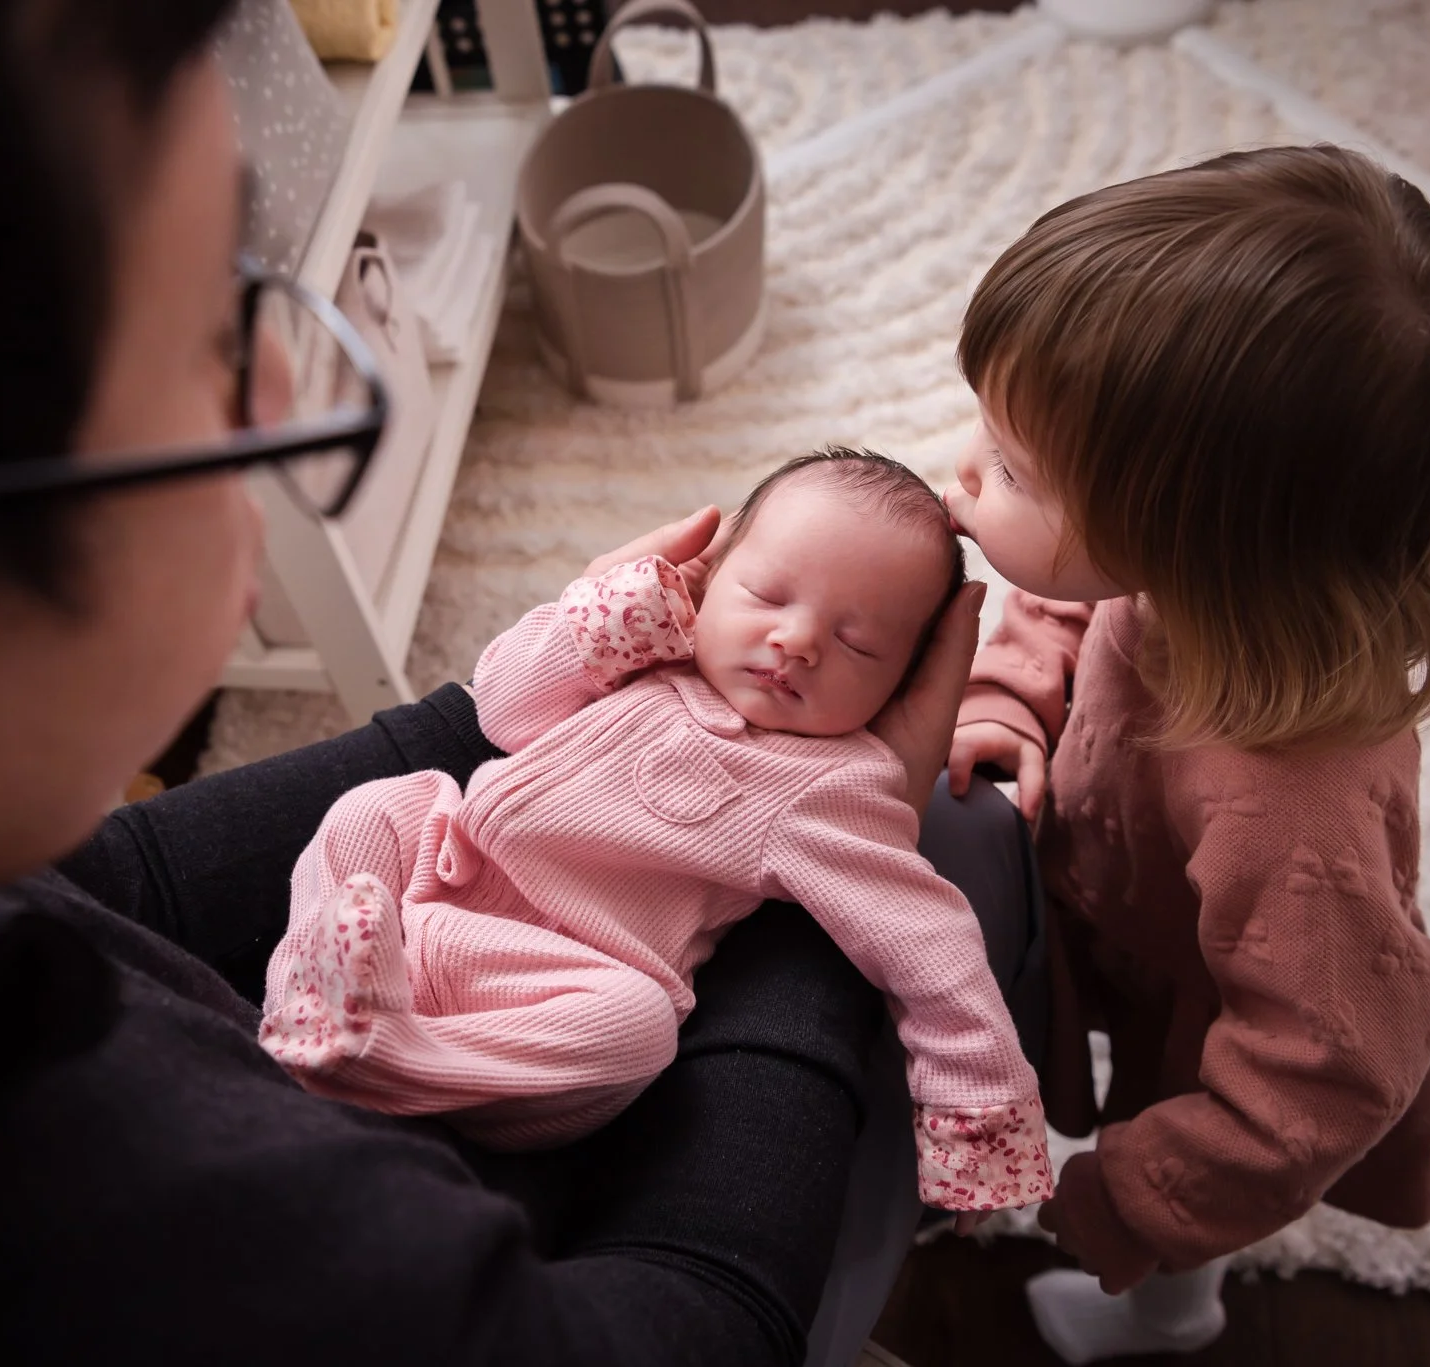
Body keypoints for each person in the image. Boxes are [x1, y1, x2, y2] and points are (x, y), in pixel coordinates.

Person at [0, 2, 1046, 1363]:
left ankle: (383, 979)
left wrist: (814, 812)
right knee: (967, 855)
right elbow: (695, 1322)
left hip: (549, 977)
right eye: (214, 340)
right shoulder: (232, 1262)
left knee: (656, 963)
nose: (282, 397)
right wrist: (833, 872)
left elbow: (131, 867)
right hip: (530, 1094)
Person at [938, 144, 1430, 1364]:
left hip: (1224, 1004)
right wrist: (1010, 698)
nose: (960, 465)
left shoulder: (1287, 808)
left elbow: (1324, 1068)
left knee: (1183, 1205)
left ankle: (1175, 1315)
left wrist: (1132, 1194)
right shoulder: (1200, 574)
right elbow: (1069, 600)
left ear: (1200, 540)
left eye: (1011, 468)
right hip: (1133, 910)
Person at [262, 449, 1052, 1221]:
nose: (798, 641)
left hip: (556, 996)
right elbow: (501, 707)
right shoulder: (646, 649)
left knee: (638, 1026)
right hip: (431, 888)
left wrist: (979, 1112)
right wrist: (612, 613)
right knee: (380, 805)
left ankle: (395, 1059)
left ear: (902, 681)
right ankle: (317, 984)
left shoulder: (831, 787)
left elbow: (927, 938)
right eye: (768, 594)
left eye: (858, 645)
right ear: (710, 578)